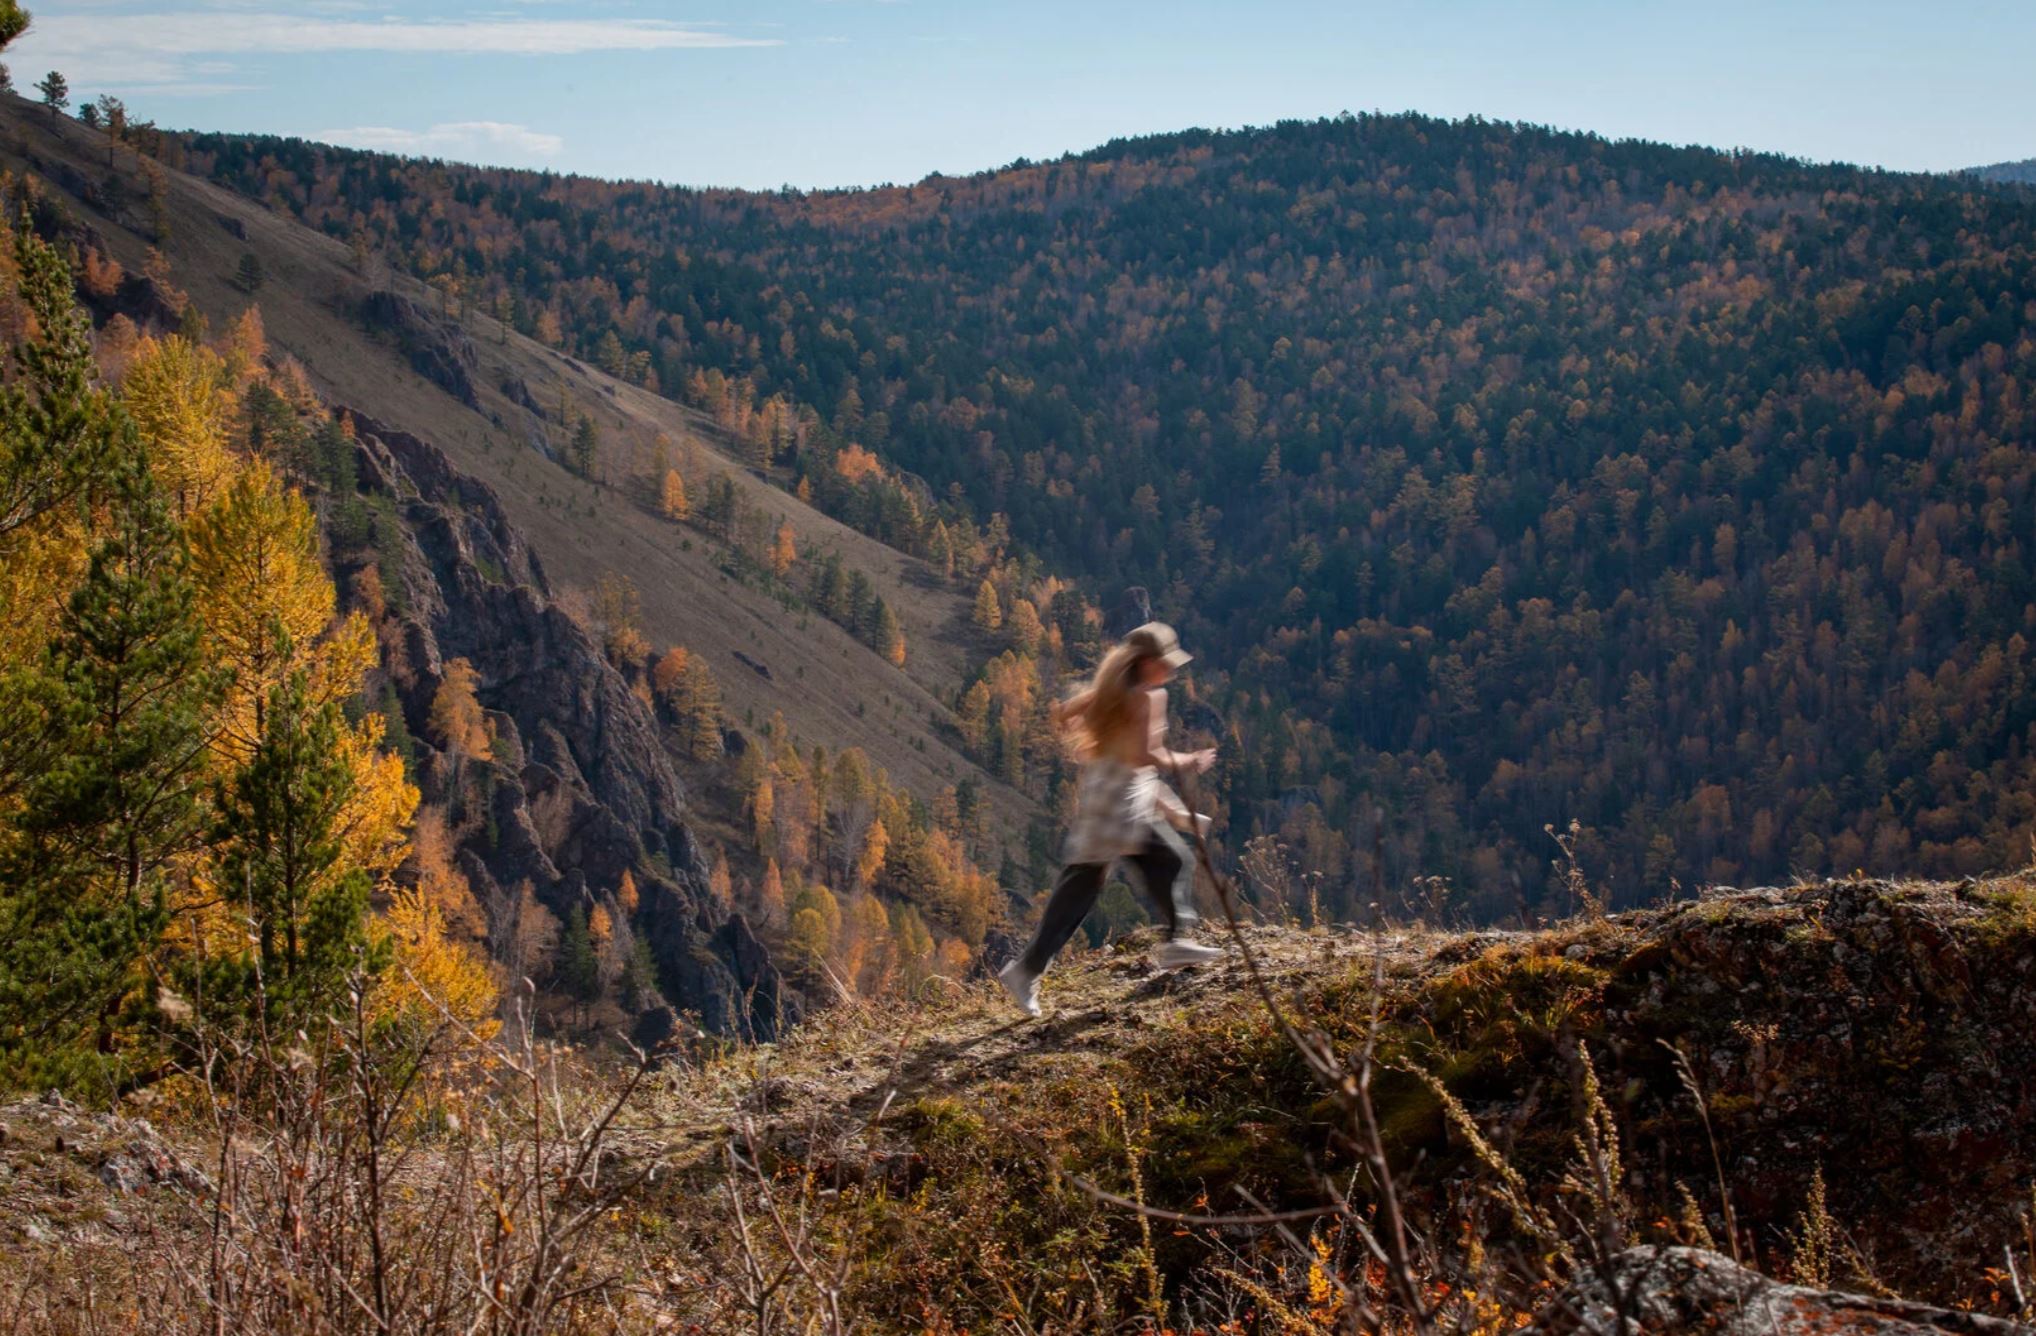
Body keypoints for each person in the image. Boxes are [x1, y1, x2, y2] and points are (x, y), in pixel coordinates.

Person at [997, 621, 1223, 1017]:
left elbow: (1065, 713)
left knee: (1086, 883)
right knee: (1161, 863)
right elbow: (1147, 756)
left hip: (1105, 788)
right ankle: (1173, 942)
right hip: (1123, 798)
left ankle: (1028, 969)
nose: (1171, 671)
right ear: (1148, 662)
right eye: (1165, 664)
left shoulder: (1113, 689)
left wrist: (1097, 738)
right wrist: (1191, 761)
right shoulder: (1148, 698)